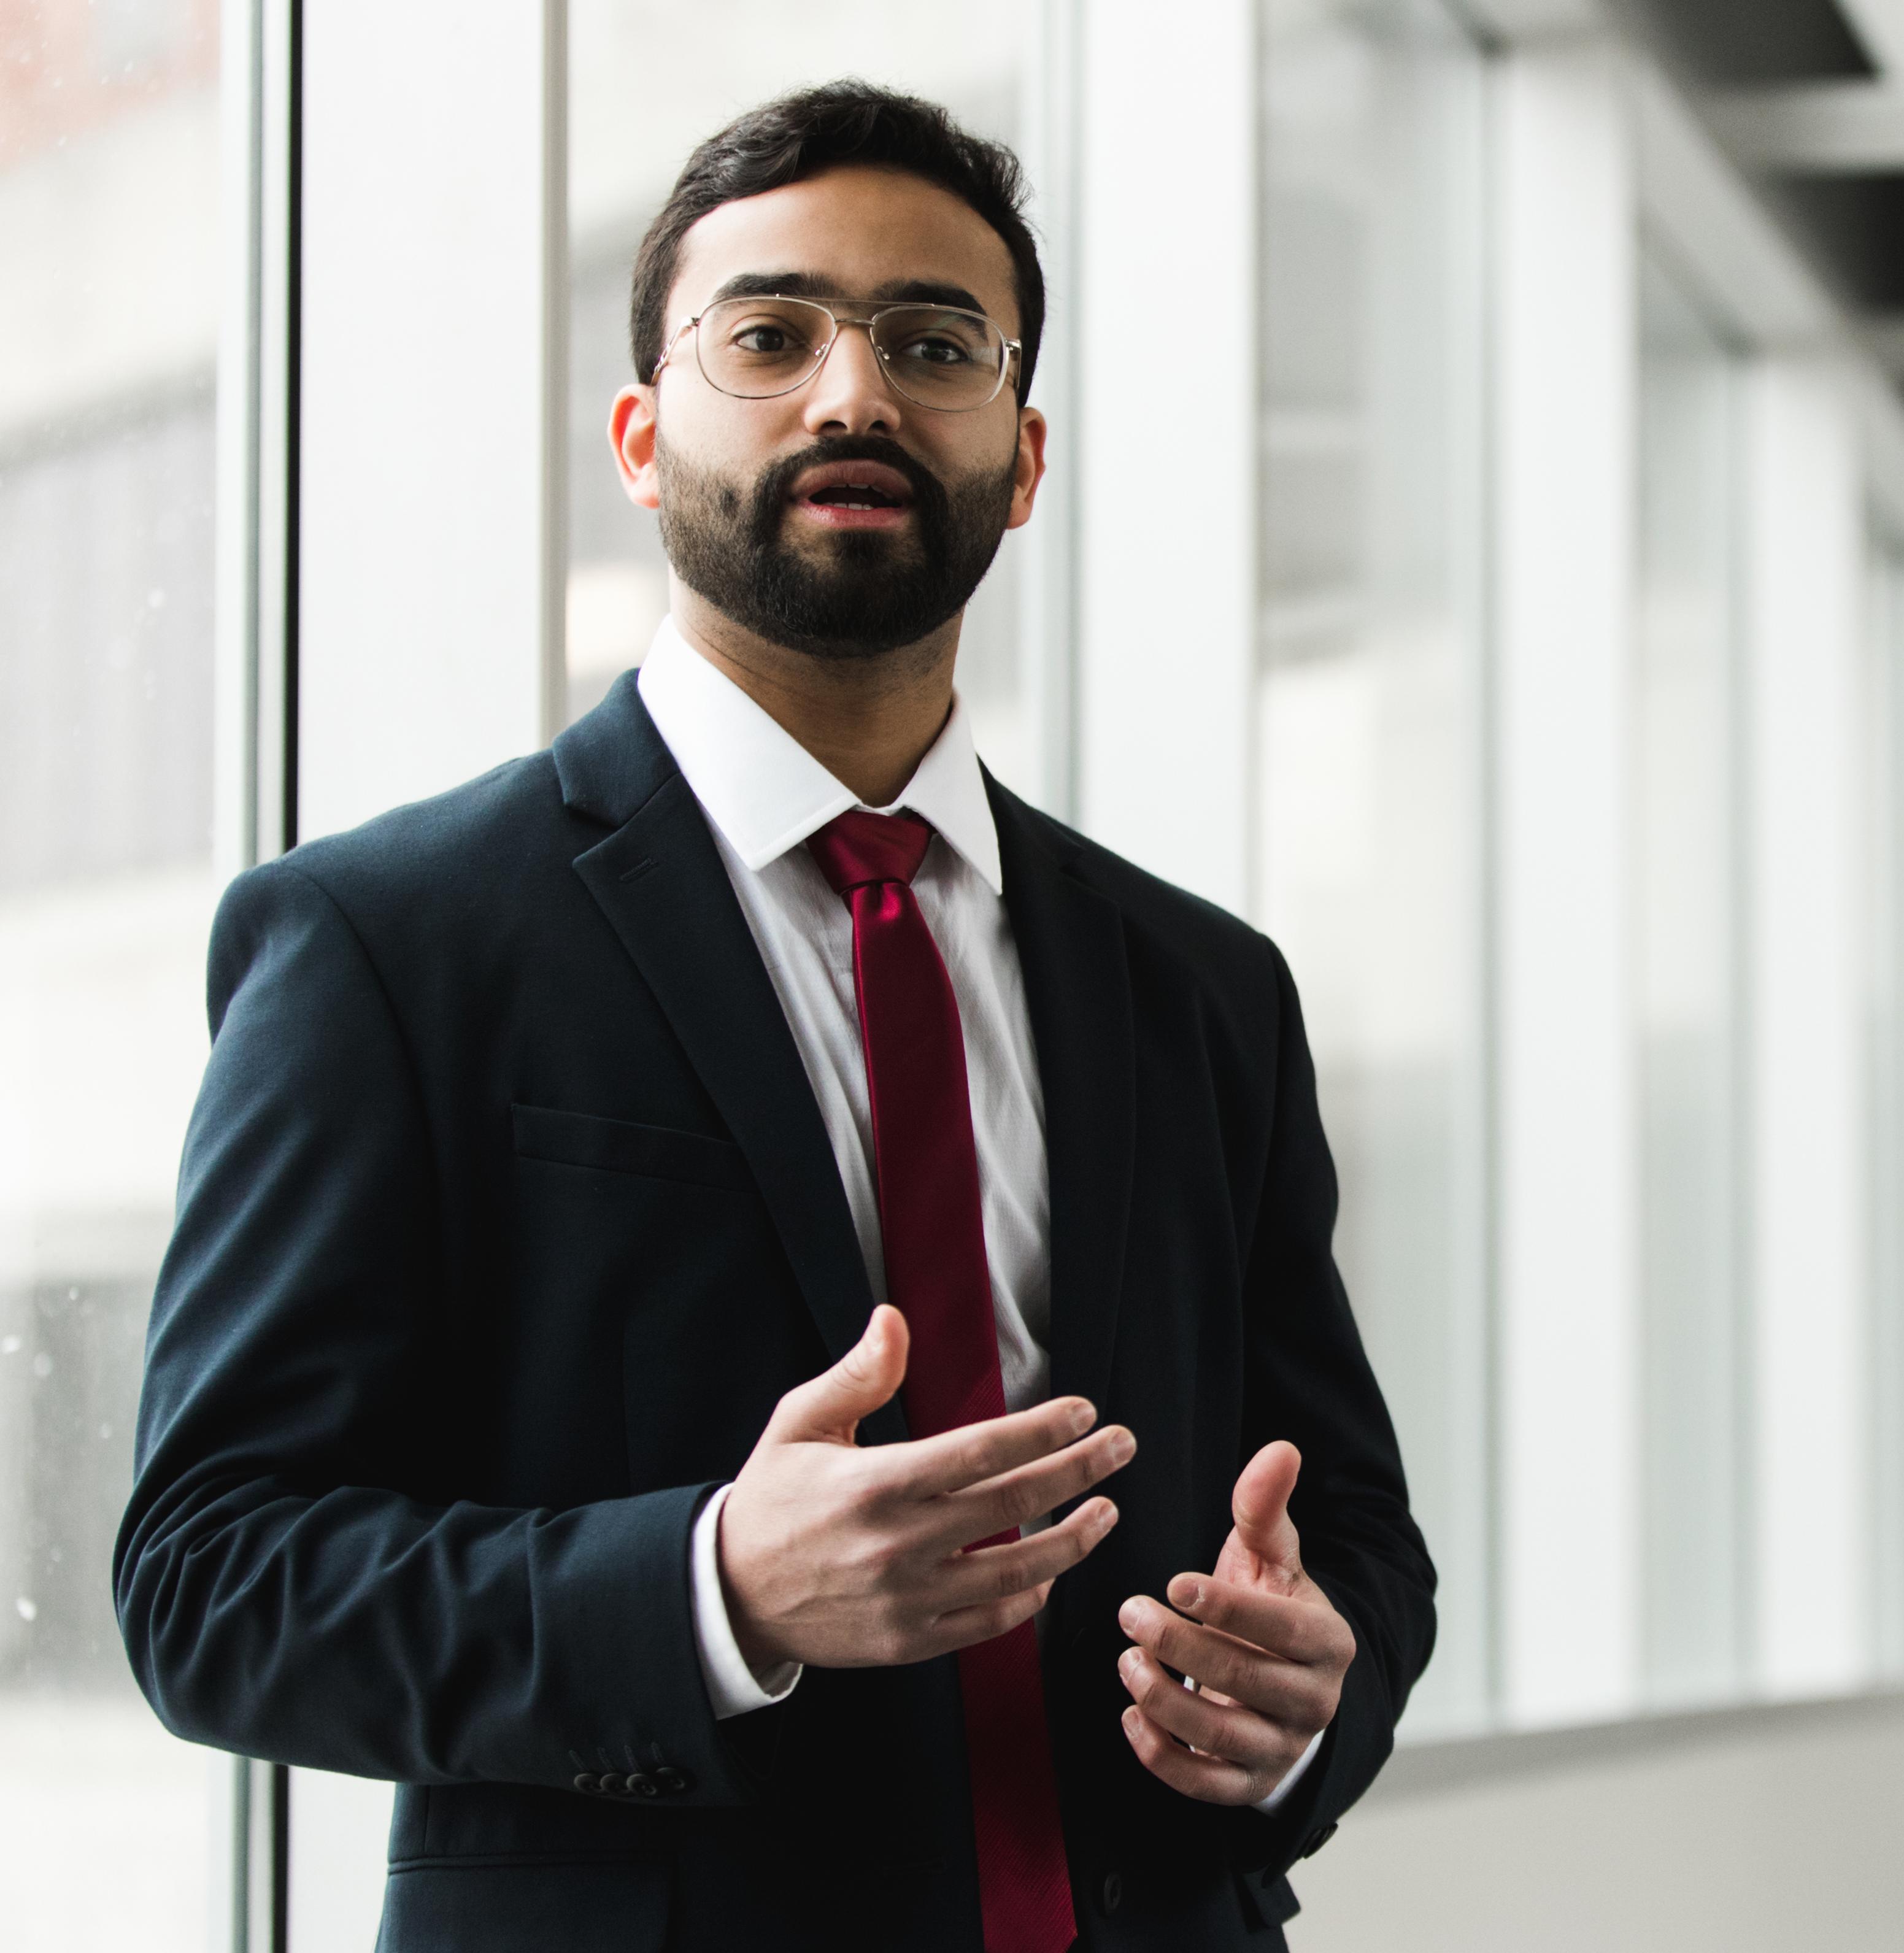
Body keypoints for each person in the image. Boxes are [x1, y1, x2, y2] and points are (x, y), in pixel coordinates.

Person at [115, 81, 1435, 1953]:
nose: (853, 394)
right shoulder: (386, 942)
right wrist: (711, 1586)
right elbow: (210, 1583)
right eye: (771, 333)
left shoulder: (1204, 987)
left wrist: (1312, 1695)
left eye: (932, 341)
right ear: (645, 440)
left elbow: (1358, 1525)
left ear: (1025, 454)